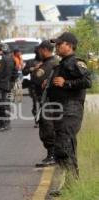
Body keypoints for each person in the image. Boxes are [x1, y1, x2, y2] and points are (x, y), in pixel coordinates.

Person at [48, 32, 92, 196]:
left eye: (60, 44)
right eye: (56, 44)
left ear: (70, 45)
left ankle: (72, 184)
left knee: (64, 146)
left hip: (71, 109)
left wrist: (66, 83)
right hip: (60, 109)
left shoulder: (76, 62)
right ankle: (70, 185)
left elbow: (87, 81)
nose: (57, 47)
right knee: (64, 147)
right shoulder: (61, 64)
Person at [33, 40, 59, 167]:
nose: (38, 52)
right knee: (49, 127)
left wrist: (35, 70)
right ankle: (53, 155)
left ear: (44, 50)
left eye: (39, 50)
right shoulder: (53, 62)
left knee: (47, 128)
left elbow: (36, 79)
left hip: (48, 101)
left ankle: (52, 155)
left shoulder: (48, 65)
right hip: (51, 101)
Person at [22, 47, 42, 127]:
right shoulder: (31, 62)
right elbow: (24, 72)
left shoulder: (48, 61)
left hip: (45, 86)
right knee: (36, 104)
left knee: (44, 104)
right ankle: (37, 120)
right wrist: (32, 69)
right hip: (34, 86)